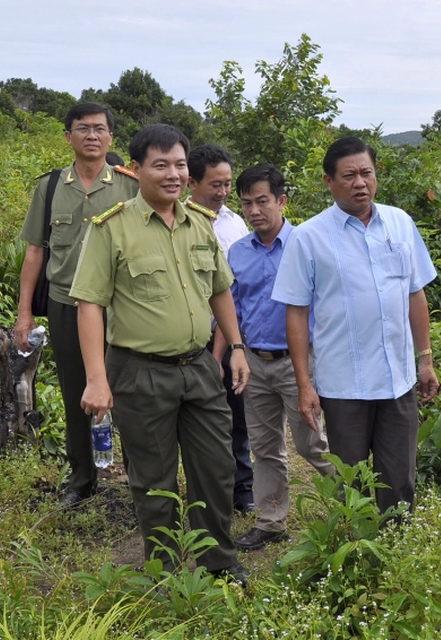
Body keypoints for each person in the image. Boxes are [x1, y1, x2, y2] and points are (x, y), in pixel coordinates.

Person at [69, 124, 250, 584]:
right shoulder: (111, 228)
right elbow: (90, 304)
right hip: (140, 371)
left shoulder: (200, 224)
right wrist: (96, 378)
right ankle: (165, 571)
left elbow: (220, 290)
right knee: (154, 481)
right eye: (161, 165)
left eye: (180, 164)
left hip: (200, 367)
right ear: (135, 169)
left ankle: (218, 563)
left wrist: (237, 348)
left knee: (216, 468)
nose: (173, 174)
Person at [271, 136, 439, 515]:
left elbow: (415, 294)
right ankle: (356, 559)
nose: (360, 182)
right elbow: (295, 313)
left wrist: (424, 359)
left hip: (398, 380)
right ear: (329, 182)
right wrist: (304, 385)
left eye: (367, 173)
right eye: (349, 176)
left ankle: (396, 553)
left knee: (400, 479)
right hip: (344, 385)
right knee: (351, 482)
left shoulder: (399, 222)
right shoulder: (309, 237)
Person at [15, 102, 139, 505]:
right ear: (68, 136)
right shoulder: (50, 187)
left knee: (130, 392)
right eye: (82, 128)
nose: (91, 135)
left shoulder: (129, 185)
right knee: (76, 393)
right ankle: (82, 481)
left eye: (99, 129)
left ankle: (142, 478)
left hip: (120, 307)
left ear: (110, 138)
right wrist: (24, 312)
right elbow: (35, 252)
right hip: (67, 302)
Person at [220, 163, 335, 551]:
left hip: (298, 363)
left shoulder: (308, 245)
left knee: (311, 444)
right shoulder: (237, 252)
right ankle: (271, 522)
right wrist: (224, 357)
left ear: (282, 201)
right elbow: (230, 312)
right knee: (265, 447)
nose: (255, 210)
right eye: (247, 203)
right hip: (255, 361)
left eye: (263, 201)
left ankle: (353, 510)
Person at [188, 143, 255, 514]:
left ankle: (242, 487)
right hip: (192, 336)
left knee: (236, 414)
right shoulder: (178, 220)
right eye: (216, 184)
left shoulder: (235, 222)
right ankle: (204, 488)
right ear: (192, 182)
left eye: (228, 183)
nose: (223, 192)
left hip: (230, 335)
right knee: (201, 418)